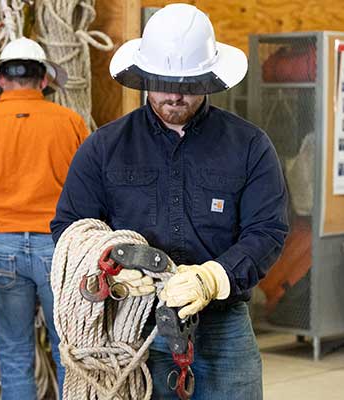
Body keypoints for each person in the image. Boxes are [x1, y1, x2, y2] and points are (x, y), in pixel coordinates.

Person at [50, 4, 288, 399]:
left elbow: (267, 230)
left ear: (209, 80)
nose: (175, 95)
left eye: (189, 84)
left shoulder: (249, 146)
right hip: (134, 325)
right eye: (163, 82)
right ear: (143, 77)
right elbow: (69, 227)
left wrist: (215, 277)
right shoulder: (104, 148)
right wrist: (108, 267)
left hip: (223, 328)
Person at [0, 37, 89, 399]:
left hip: (1, 246)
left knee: (13, 352)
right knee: (69, 351)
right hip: (58, 249)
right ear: (44, 80)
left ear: (1, 80)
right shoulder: (71, 124)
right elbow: (92, 189)